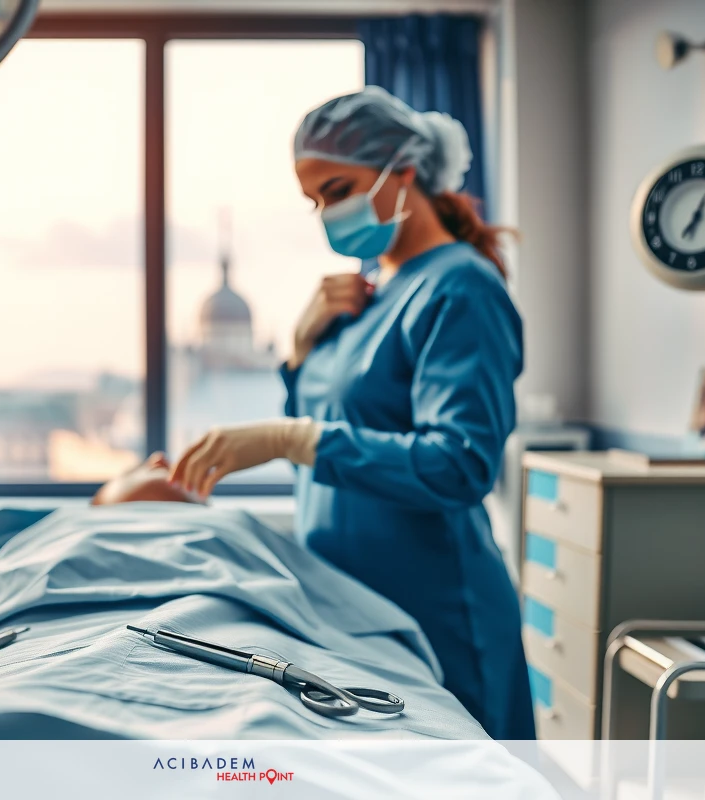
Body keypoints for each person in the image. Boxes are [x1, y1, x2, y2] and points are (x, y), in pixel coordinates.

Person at [168, 86, 533, 739]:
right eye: (315, 201)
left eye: (339, 190)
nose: (327, 213)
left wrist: (293, 437)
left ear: (404, 171)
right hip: (350, 608)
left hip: (436, 611)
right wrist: (299, 354)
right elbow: (336, 418)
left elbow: (460, 464)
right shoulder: (362, 297)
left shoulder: (461, 287)